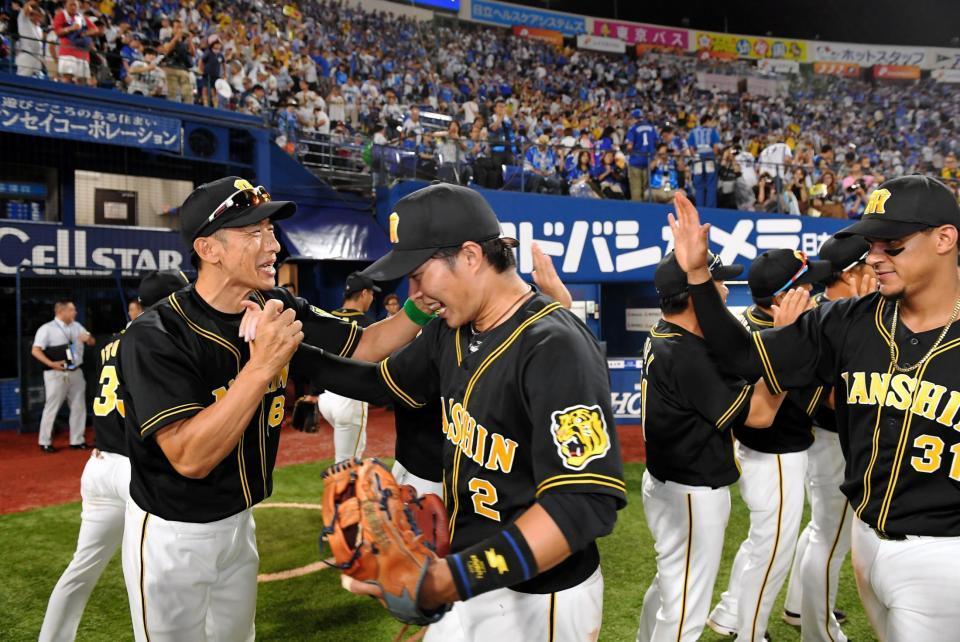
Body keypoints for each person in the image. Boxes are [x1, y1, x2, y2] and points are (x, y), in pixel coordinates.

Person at [290, 183, 626, 639]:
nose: (413, 292)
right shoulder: (449, 331)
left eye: (418, 274)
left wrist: (446, 580)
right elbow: (378, 382)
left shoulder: (555, 345)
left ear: (470, 256)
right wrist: (287, 355)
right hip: (466, 576)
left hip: (540, 600)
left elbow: (584, 504)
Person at [116, 177, 430, 641]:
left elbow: (365, 344)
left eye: (270, 231)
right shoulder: (157, 334)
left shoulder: (274, 305)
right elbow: (190, 457)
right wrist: (262, 365)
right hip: (173, 532)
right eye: (254, 233)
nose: (274, 245)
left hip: (240, 522)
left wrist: (422, 308)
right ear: (208, 248)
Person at [668, 176, 960, 641]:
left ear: (944, 238)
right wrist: (700, 279)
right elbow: (744, 355)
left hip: (944, 553)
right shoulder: (851, 320)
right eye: (871, 243)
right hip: (867, 536)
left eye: (892, 244)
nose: (875, 256)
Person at [637, 250, 786, 642]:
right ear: (691, 295)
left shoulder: (665, 333)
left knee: (670, 584)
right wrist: (787, 348)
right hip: (690, 493)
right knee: (685, 608)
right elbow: (759, 415)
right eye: (715, 282)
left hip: (667, 483)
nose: (722, 291)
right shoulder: (688, 353)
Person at [38, 271, 189, 642]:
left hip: (99, 465)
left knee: (81, 568)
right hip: (134, 470)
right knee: (149, 573)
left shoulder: (111, 342)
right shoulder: (161, 341)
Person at [707, 249, 833, 641]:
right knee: (773, 552)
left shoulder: (750, 321)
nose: (813, 289)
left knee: (762, 539)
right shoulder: (776, 335)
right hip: (775, 456)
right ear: (781, 297)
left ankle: (729, 612)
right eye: (804, 284)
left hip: (759, 453)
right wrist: (791, 337)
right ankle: (751, 634)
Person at [781, 236, 872, 642]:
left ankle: (798, 608)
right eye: (869, 265)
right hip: (832, 440)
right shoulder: (833, 319)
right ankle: (820, 632)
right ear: (852, 274)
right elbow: (835, 396)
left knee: (822, 530)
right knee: (830, 540)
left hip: (824, 439)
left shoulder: (822, 311)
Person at [318, 272, 380, 463]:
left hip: (325, 398)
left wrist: (312, 393)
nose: (372, 298)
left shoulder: (326, 318)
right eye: (371, 293)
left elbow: (316, 357)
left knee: (348, 457)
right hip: (350, 399)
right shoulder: (369, 325)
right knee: (347, 465)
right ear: (364, 293)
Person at [32, 299, 96, 453]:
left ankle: (77, 441)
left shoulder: (77, 326)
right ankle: (45, 441)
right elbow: (35, 350)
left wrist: (89, 339)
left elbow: (92, 342)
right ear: (61, 311)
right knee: (52, 407)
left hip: (76, 372)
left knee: (79, 406)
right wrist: (51, 363)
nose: (75, 312)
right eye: (72, 310)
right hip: (56, 373)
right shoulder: (47, 329)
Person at [52, 0, 99, 85]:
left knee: (82, 81)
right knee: (67, 79)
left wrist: (84, 33)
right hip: (68, 53)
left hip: (83, 54)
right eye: (71, 5)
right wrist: (71, 28)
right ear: (65, 5)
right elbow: (58, 32)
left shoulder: (82, 17)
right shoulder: (61, 15)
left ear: (78, 6)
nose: (73, 7)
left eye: (75, 5)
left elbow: (95, 29)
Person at [687, 114, 721, 208]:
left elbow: (691, 149)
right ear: (707, 121)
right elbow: (715, 148)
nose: (713, 123)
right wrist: (714, 156)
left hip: (697, 158)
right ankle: (710, 208)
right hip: (709, 157)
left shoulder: (693, 132)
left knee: (699, 186)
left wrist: (696, 156)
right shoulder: (712, 131)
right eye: (711, 121)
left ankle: (700, 207)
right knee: (711, 184)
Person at [624, 110, 658, 202]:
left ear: (634, 118)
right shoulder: (651, 128)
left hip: (636, 161)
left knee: (636, 191)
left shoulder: (633, 129)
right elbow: (656, 142)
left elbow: (629, 146)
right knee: (646, 191)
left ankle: (637, 210)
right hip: (648, 161)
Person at [159, 18, 194, 103]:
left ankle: (188, 108)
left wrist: (190, 40)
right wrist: (176, 37)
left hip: (183, 69)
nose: (180, 30)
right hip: (171, 68)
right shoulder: (168, 39)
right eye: (177, 27)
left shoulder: (184, 43)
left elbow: (192, 53)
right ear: (172, 29)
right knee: (173, 93)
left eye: (181, 28)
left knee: (188, 94)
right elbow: (166, 50)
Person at [15, 0, 45, 78]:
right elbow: (26, 7)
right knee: (22, 80)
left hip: (37, 59)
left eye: (40, 16)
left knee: (38, 81)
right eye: (35, 14)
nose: (38, 17)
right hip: (26, 56)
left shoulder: (39, 29)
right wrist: (34, 2)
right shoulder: (23, 20)